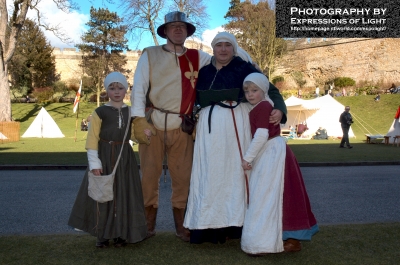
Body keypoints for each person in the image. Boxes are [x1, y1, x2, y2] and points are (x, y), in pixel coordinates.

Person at [183, 32, 287, 244]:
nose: (223, 49)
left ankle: (235, 225)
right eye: (219, 45)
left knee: (234, 175)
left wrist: (280, 109)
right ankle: (205, 228)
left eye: (227, 45)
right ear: (213, 48)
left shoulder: (245, 68)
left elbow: (271, 89)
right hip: (208, 131)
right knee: (209, 175)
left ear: (234, 48)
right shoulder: (204, 71)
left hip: (235, 127)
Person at [130, 11, 211, 242]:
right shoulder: (150, 54)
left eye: (181, 27)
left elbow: (228, 58)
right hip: (153, 125)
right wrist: (138, 119)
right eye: (172, 26)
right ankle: (148, 225)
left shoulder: (199, 58)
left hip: (183, 126)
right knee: (148, 177)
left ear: (187, 32)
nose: (177, 30)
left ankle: (182, 227)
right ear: (164, 31)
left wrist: (252, 68)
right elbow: (138, 88)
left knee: (184, 178)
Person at [239, 73, 318, 255]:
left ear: (264, 90)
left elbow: (261, 135)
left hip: (274, 154)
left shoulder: (264, 106)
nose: (250, 94)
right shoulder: (262, 106)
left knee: (278, 194)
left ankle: (289, 238)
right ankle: (279, 237)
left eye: (254, 90)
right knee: (278, 194)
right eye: (247, 91)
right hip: (271, 152)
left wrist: (247, 158)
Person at [68, 72, 148, 248]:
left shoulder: (130, 111)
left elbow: (134, 135)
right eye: (112, 88)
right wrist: (95, 163)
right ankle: (102, 234)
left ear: (125, 90)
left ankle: (121, 234)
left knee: (124, 195)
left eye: (120, 88)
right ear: (107, 90)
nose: (117, 92)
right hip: (104, 157)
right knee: (103, 197)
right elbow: (92, 140)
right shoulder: (100, 112)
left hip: (125, 158)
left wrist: (144, 134)